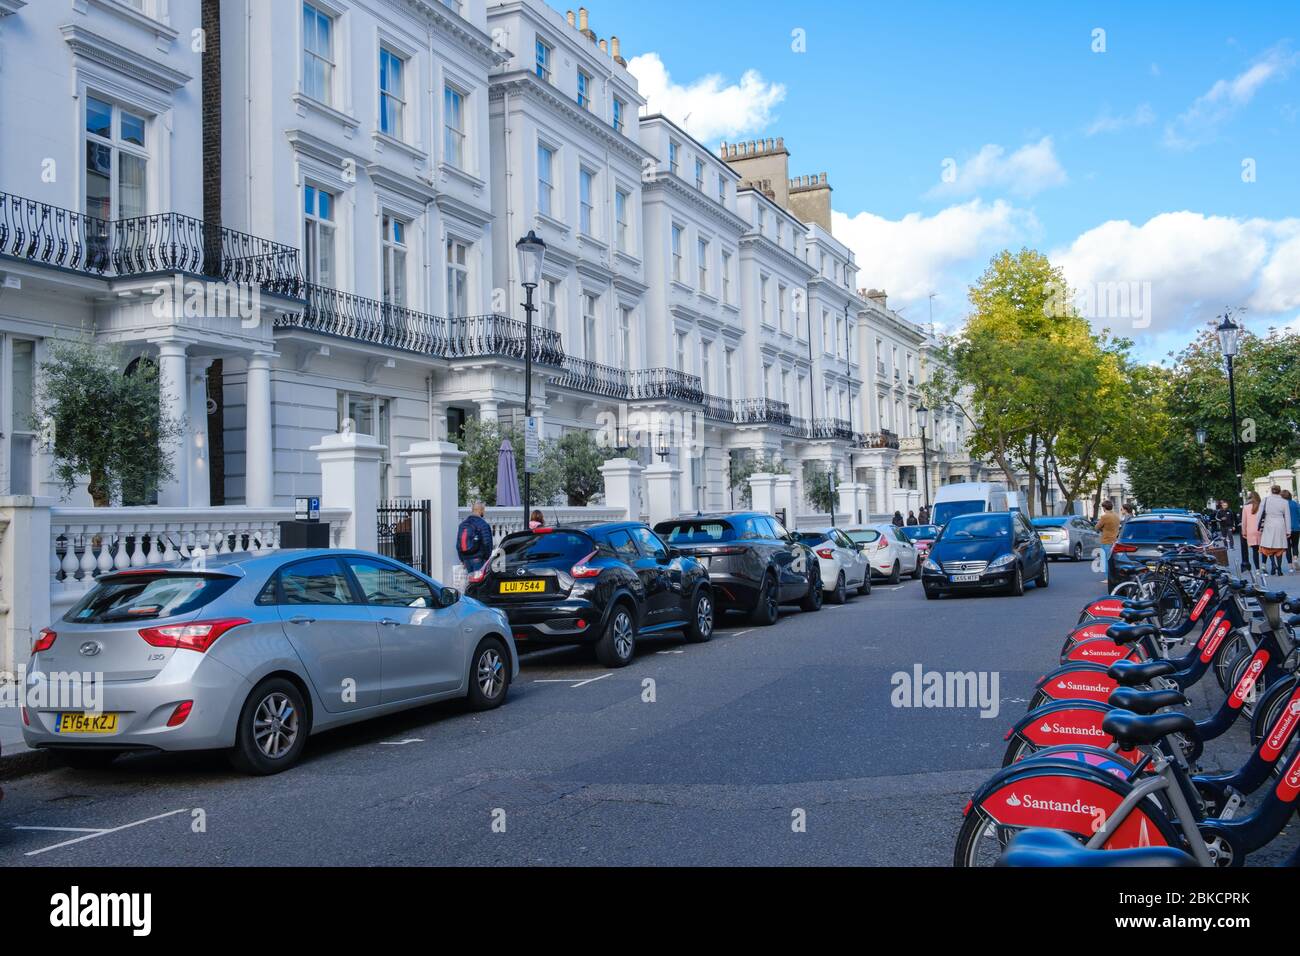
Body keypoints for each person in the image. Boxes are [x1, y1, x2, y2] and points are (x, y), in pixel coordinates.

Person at [1258, 485, 1292, 576]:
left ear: (1271, 491)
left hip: (1269, 523)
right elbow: (1287, 517)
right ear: (1279, 491)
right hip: (1280, 524)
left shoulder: (1265, 500)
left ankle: (1273, 564)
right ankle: (1279, 569)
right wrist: (1288, 530)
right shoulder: (1284, 502)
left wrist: (1257, 526)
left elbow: (1259, 513)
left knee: (1269, 546)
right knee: (1279, 547)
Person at [456, 501, 494, 574]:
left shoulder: (462, 525)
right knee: (479, 583)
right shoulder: (483, 525)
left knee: (471, 582)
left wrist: (462, 559)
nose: (484, 512)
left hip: (466, 559)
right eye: (483, 510)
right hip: (478, 558)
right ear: (481, 510)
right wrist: (487, 557)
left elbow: (458, 544)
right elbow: (487, 543)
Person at [1096, 499, 1120, 574]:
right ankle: (1113, 576)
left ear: (1104, 508)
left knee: (1106, 559)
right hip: (1114, 540)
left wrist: (1102, 529)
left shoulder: (1105, 517)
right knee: (1112, 560)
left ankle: (1107, 578)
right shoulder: (1116, 516)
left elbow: (1096, 527)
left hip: (1106, 540)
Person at [1242, 491, 1263, 572]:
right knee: (1265, 549)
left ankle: (1257, 569)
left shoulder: (1246, 507)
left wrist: (1244, 532)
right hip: (1261, 530)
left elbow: (1244, 521)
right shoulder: (1261, 506)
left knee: (1255, 551)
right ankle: (1267, 566)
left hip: (1250, 531)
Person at [1283, 490, 1300, 573]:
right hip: (1296, 528)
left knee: (1287, 548)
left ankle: (1290, 566)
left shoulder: (1282, 505)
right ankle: (1296, 558)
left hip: (1286, 529)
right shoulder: (1295, 504)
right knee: (1295, 545)